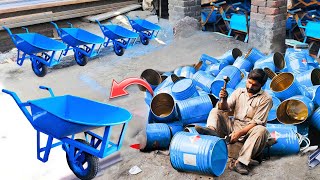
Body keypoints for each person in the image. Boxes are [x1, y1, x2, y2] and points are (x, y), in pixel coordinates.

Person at [195, 68, 273, 175]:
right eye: (249, 82)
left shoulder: (266, 99)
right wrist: (224, 99)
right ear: (247, 79)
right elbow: (224, 108)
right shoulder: (239, 92)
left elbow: (256, 122)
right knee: (216, 110)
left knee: (261, 130)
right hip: (233, 127)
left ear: (261, 85)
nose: (250, 87)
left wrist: (239, 133)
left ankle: (240, 162)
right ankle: (211, 130)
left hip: (249, 133)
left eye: (255, 85)